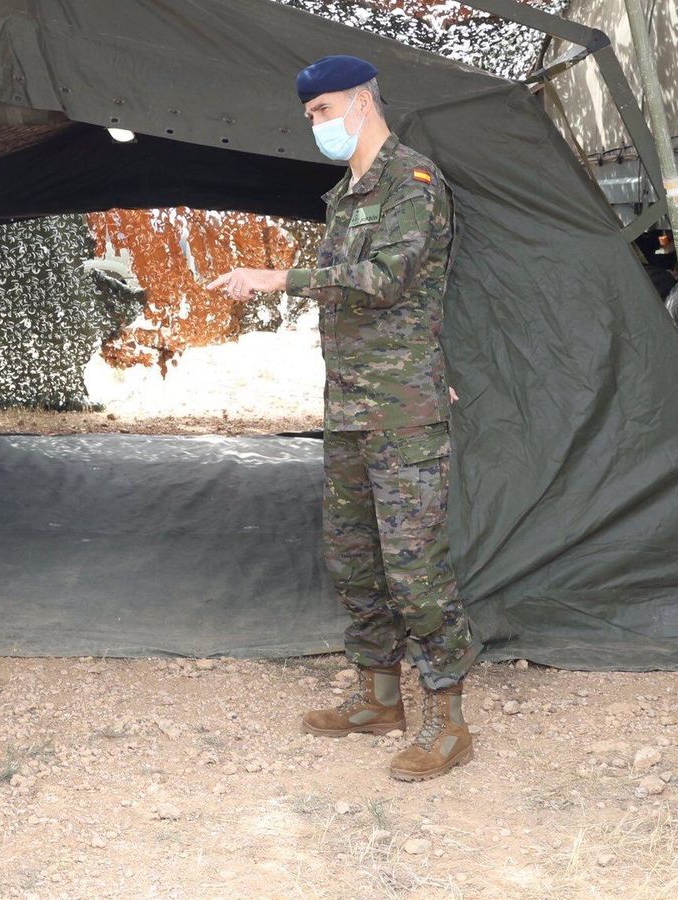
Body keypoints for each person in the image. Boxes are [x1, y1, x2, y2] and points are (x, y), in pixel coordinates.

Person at [208, 55, 471, 781]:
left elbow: (385, 281)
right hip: (352, 405)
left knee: (415, 569)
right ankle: (379, 698)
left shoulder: (412, 182)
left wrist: (278, 277)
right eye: (311, 116)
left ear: (360, 102)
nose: (315, 126)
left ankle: (447, 719)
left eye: (322, 112)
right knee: (353, 557)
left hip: (403, 412)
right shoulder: (347, 195)